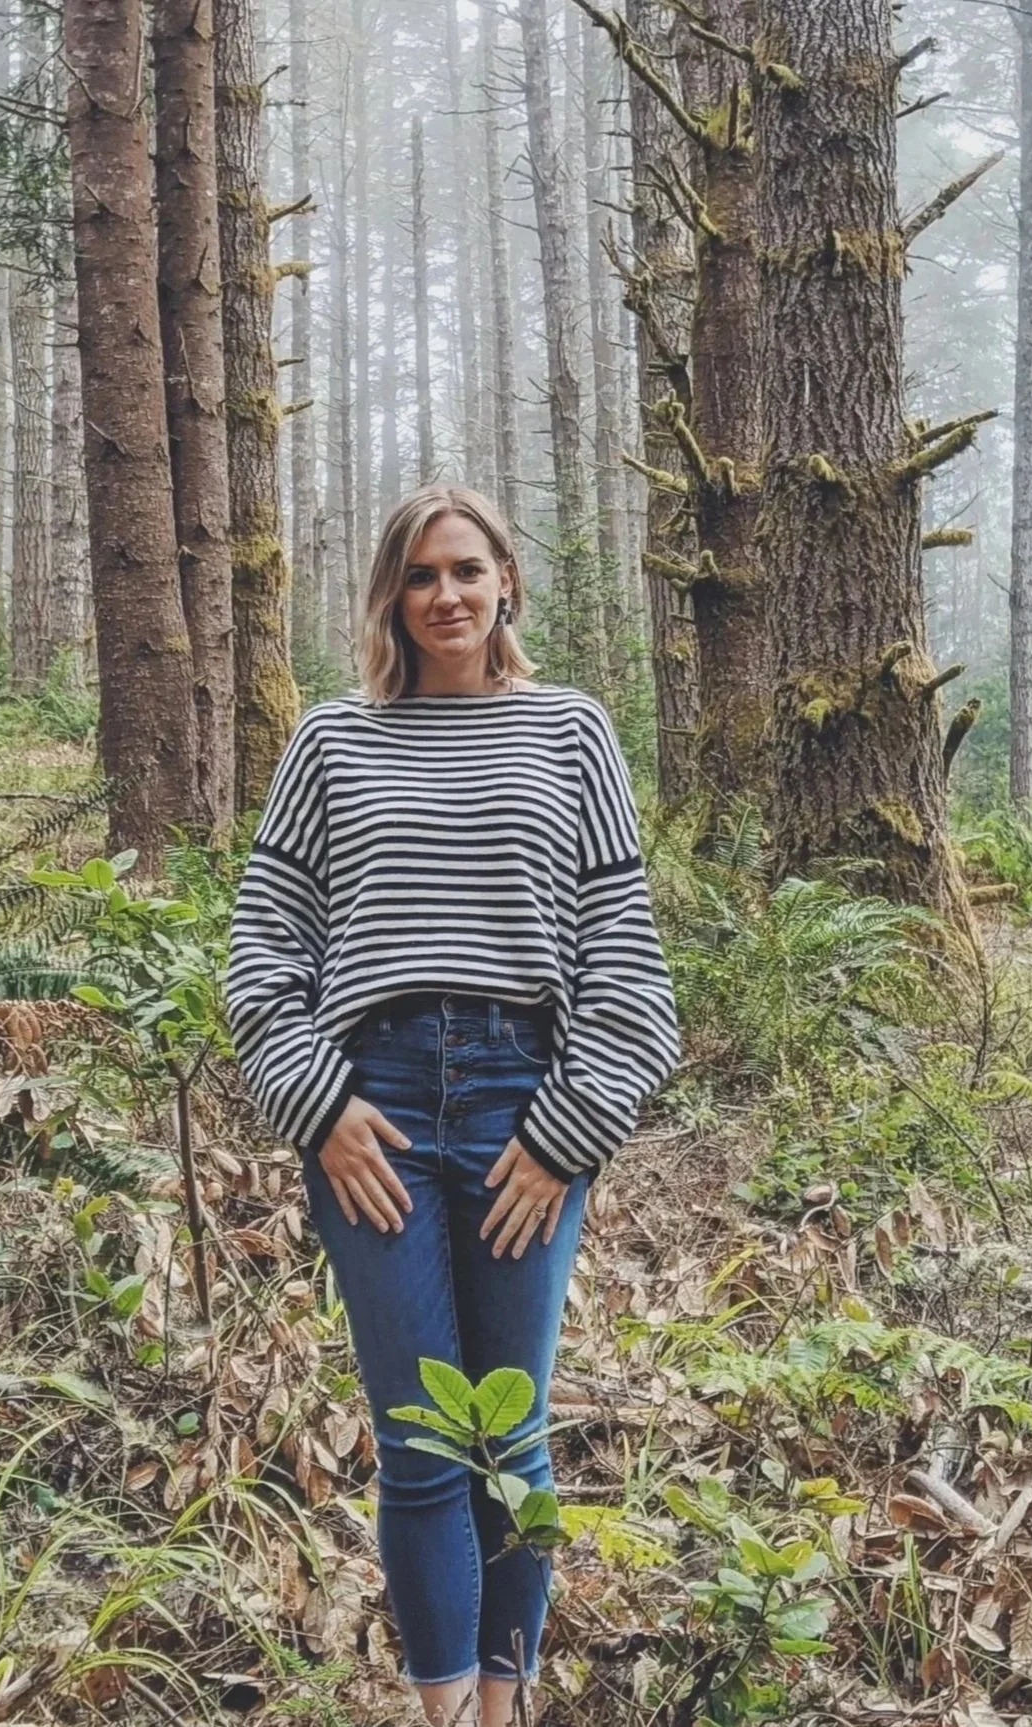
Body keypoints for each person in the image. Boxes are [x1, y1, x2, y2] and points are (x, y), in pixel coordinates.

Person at [226, 485, 680, 1726]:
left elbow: (629, 978)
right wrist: (318, 1103)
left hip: (519, 1112)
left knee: (512, 1438)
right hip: (368, 1114)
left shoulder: (572, 734)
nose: (446, 595)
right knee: (423, 1440)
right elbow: (263, 954)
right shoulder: (331, 743)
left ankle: (505, 1703)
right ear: (390, 594)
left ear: (505, 584)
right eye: (421, 574)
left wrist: (562, 1131)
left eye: (467, 570)